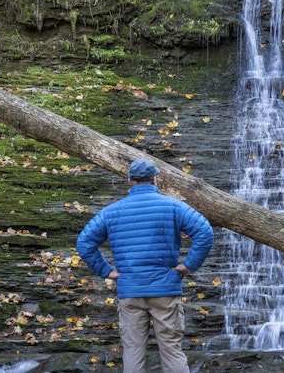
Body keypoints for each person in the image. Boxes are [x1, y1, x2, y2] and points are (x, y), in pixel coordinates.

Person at [77, 158, 214, 373]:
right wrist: (188, 266)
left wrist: (108, 272)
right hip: (165, 290)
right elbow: (205, 232)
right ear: (155, 180)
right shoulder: (173, 207)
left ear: (129, 180)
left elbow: (84, 243)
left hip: (130, 290)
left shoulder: (111, 212)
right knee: (171, 350)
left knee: (132, 351)